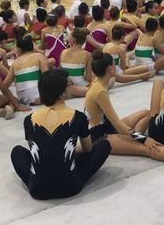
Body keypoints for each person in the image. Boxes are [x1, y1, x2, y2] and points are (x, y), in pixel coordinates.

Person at [10, 69, 111, 200]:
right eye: (70, 84)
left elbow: (39, 152)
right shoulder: (78, 117)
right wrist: (69, 151)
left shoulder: (28, 120)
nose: (72, 86)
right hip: (71, 186)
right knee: (104, 145)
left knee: (17, 151)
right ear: (61, 94)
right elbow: (88, 149)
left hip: (38, 190)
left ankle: (36, 180)